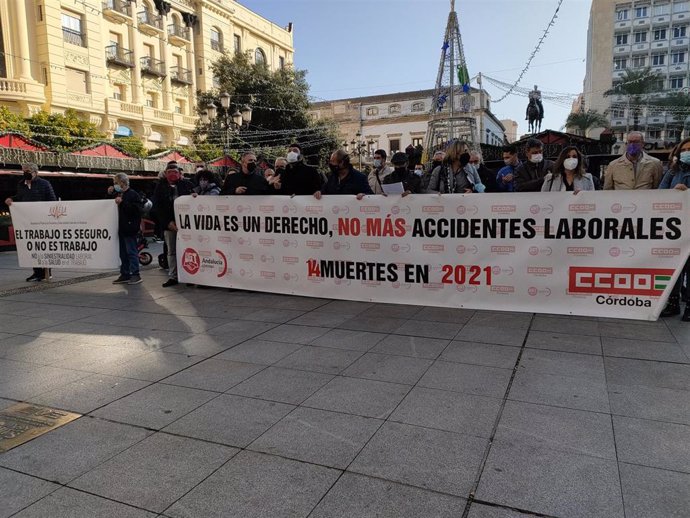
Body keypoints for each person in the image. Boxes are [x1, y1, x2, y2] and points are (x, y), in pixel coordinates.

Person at [4, 162, 57, 282]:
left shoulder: (44, 184)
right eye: (23, 170)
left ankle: (47, 272)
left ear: (35, 172)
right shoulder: (21, 184)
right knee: (33, 246)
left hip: (43, 221)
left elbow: (52, 200)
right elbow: (20, 197)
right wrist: (11, 199)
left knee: (44, 246)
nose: (25, 173)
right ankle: (37, 272)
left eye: (27, 171)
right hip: (28, 221)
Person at [659, 137, 690, 320]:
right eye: (684, 149)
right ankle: (673, 303)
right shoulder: (673, 172)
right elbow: (660, 192)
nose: (687, 152)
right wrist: (674, 192)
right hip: (675, 227)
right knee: (675, 266)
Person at [152, 162, 194, 287]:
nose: (173, 175)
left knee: (188, 250)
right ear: (165, 174)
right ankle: (173, 276)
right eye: (170, 172)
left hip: (186, 224)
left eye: (175, 172)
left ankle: (189, 276)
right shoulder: (160, 187)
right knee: (171, 251)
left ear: (179, 173)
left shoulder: (187, 184)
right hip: (169, 224)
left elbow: (194, 200)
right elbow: (157, 207)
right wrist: (167, 222)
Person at [109, 173, 143, 285]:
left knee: (131, 252)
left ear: (122, 183)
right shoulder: (119, 194)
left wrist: (123, 203)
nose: (115, 185)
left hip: (130, 228)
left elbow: (136, 210)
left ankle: (135, 274)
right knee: (123, 253)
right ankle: (125, 273)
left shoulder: (133, 195)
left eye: (116, 183)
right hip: (121, 228)